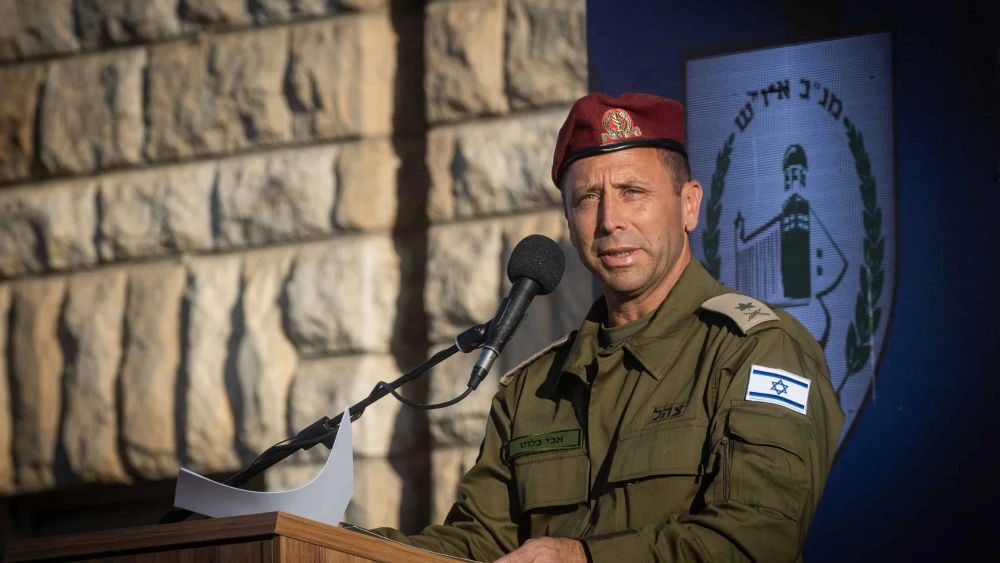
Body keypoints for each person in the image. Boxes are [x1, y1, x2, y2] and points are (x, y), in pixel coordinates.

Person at [371, 92, 844, 563]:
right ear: (570, 221)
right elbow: (476, 545)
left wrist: (585, 558)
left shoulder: (755, 350)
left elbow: (755, 539)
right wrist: (334, 545)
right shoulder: (534, 389)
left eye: (633, 192)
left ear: (689, 205)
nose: (609, 220)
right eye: (588, 198)